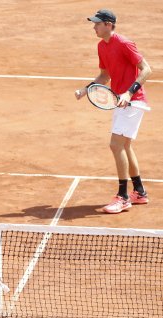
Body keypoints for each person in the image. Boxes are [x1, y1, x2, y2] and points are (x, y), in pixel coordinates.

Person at [75, 9, 152, 214]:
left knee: (115, 145)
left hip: (132, 101)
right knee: (125, 146)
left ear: (108, 25)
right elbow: (104, 75)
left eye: (97, 24)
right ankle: (139, 192)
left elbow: (146, 69)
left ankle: (123, 197)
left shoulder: (125, 43)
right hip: (120, 102)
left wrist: (128, 93)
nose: (94, 27)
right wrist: (86, 89)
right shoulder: (101, 46)